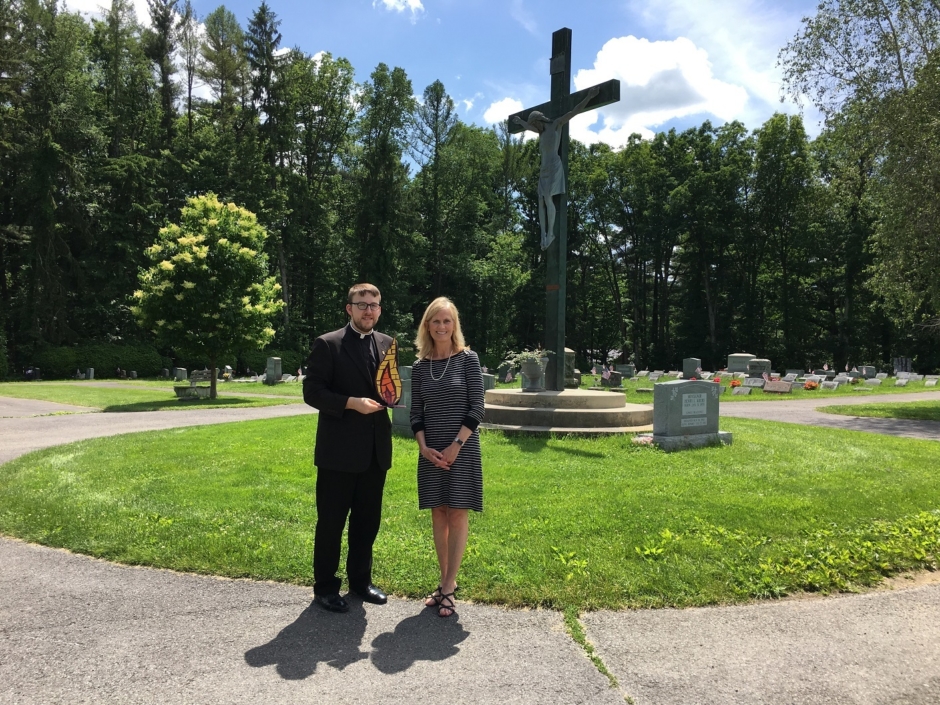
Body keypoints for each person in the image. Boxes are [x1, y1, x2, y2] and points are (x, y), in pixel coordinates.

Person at [302, 283, 394, 613]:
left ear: (380, 309)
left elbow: (390, 387)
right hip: (338, 454)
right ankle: (325, 587)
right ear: (349, 308)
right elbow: (312, 392)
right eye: (362, 304)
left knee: (367, 522)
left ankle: (360, 581)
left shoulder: (387, 344)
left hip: (375, 452)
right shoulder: (329, 344)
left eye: (374, 304)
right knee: (331, 522)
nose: (369, 310)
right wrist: (351, 403)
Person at [410, 297, 485, 618]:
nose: (442, 326)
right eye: (436, 321)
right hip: (431, 451)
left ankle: (450, 586)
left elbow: (477, 407)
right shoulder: (420, 367)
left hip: (462, 448)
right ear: (427, 326)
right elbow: (416, 413)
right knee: (438, 513)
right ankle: (444, 583)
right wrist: (423, 447)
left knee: (457, 513)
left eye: (447, 321)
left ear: (455, 325)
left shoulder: (467, 359)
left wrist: (456, 445)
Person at [512, 85, 599, 250]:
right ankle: (543, 234)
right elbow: (528, 127)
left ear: (539, 120)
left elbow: (574, 111)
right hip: (544, 169)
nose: (533, 127)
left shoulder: (556, 124)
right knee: (540, 200)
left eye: (534, 123)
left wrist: (589, 97)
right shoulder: (541, 132)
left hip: (554, 166)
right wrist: (520, 122)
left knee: (547, 198)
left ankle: (550, 232)